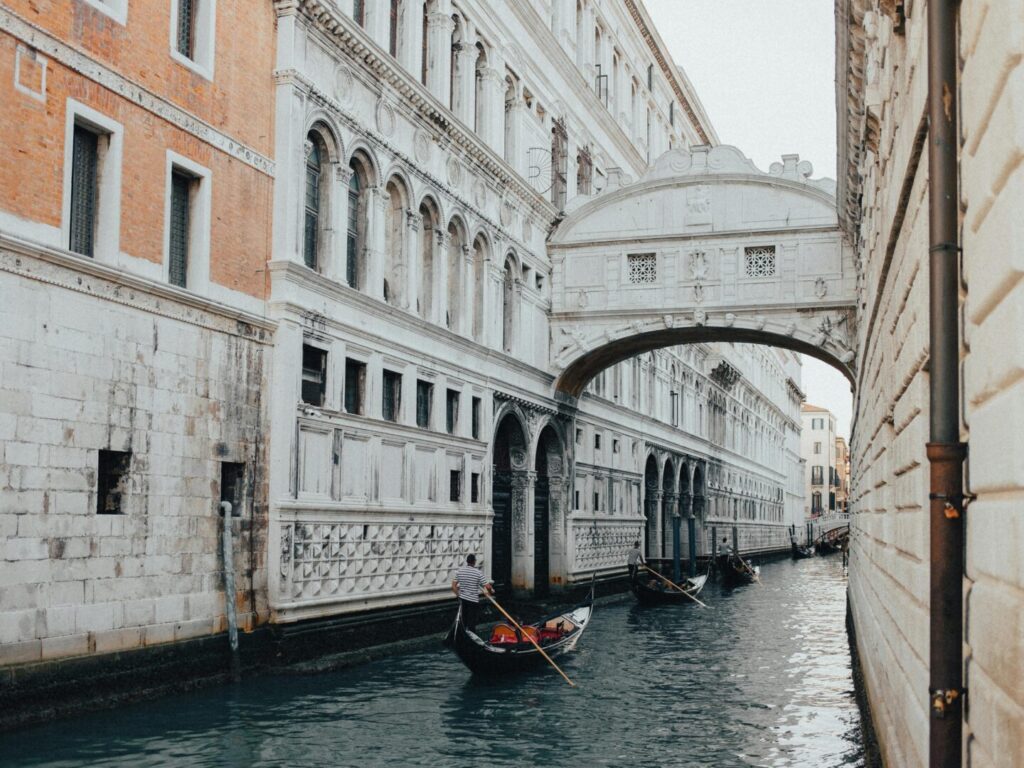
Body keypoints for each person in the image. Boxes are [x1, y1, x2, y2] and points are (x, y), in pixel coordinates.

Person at [451, 554, 493, 632]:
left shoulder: (460, 571)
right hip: (473, 600)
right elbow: (488, 587)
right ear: (474, 562)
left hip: (463, 599)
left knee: (464, 619)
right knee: (472, 621)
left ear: (467, 561)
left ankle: (464, 635)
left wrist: (458, 595)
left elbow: (453, 586)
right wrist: (490, 593)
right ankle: (471, 635)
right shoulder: (478, 573)